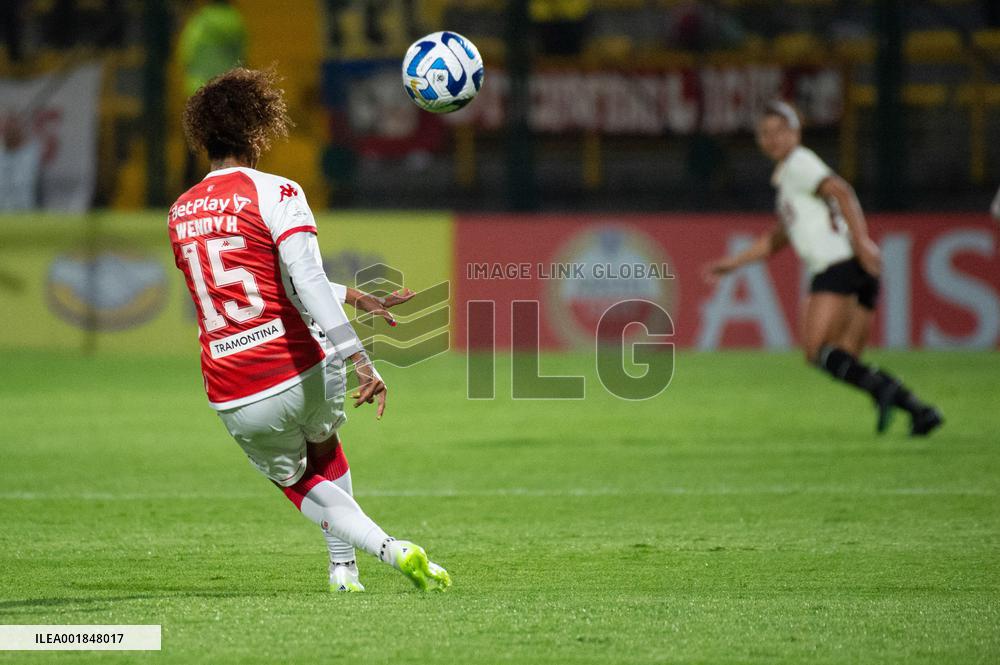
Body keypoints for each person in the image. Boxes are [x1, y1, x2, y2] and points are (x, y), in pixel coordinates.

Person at [170, 67, 451, 592]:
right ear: (258, 130)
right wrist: (361, 358)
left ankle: (361, 563)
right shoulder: (276, 191)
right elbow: (305, 281)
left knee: (297, 480)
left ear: (201, 137)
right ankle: (357, 563)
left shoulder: (180, 211)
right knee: (325, 446)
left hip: (234, 385)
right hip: (301, 365)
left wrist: (352, 294)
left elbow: (255, 283)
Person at [703, 100, 943, 436]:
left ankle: (886, 391)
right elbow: (778, 238)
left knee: (817, 352)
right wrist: (734, 263)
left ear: (796, 132)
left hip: (837, 264)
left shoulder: (799, 164)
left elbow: (841, 191)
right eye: (765, 133)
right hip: (858, 269)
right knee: (845, 359)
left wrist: (861, 240)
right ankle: (919, 411)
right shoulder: (789, 177)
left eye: (779, 131)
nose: (772, 139)